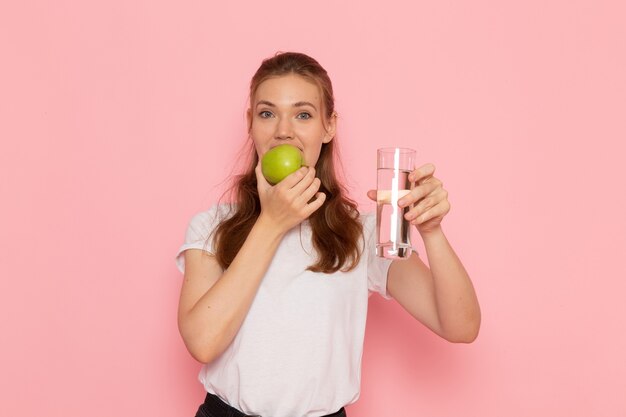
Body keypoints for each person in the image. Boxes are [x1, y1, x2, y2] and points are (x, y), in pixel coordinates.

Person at [175, 51, 481, 417]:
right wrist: (271, 224)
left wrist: (432, 231)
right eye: (267, 113)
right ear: (250, 123)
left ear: (329, 126)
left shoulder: (361, 234)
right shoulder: (212, 227)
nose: (283, 130)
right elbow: (202, 342)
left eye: (303, 114)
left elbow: (461, 326)